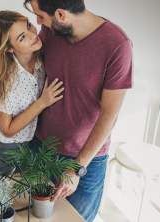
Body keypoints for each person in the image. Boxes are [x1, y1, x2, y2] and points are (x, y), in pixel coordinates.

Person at [23, 0, 133, 221]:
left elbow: (110, 114)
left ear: (61, 15)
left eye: (41, 16)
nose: (38, 22)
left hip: (84, 162)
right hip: (40, 147)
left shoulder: (117, 45)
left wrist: (76, 169)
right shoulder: (51, 32)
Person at [0, 10, 63, 171]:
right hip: (3, 152)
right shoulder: (4, 82)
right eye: (22, 37)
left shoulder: (40, 60)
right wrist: (43, 102)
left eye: (29, 26)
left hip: (28, 145)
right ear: (9, 49)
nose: (33, 35)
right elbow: (7, 130)